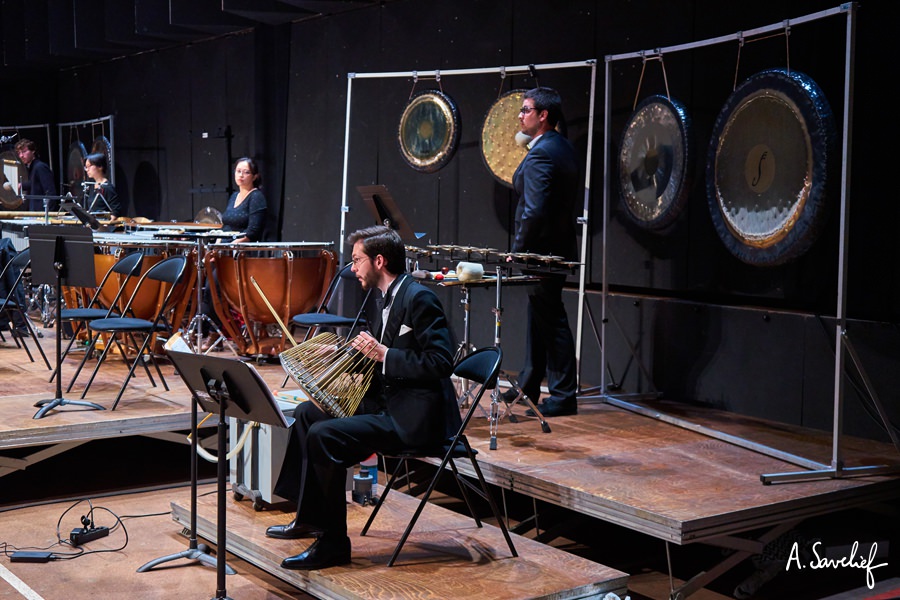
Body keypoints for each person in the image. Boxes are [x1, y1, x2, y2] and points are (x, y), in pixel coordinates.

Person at [267, 224, 458, 570]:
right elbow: (387, 357)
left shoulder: (419, 298)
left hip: (414, 419)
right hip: (389, 404)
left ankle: (334, 544)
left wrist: (384, 354)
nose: (352, 268)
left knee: (326, 435)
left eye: (357, 260)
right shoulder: (384, 297)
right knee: (309, 414)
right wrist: (350, 359)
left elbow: (442, 362)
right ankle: (309, 517)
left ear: (379, 261)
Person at [504, 87, 579, 417]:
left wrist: (519, 250)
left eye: (526, 110)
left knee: (552, 319)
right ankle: (529, 384)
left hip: (541, 251)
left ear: (543, 115)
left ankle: (564, 395)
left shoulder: (541, 154)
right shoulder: (561, 147)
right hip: (556, 247)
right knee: (540, 316)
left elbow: (534, 210)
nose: (521, 115)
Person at [199, 157, 268, 351]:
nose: (241, 175)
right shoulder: (234, 196)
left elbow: (252, 233)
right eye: (239, 171)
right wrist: (216, 248)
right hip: (225, 253)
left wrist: (226, 248)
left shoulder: (256, 197)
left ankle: (214, 334)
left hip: (241, 256)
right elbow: (226, 227)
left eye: (246, 172)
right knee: (208, 290)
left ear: (255, 176)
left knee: (216, 290)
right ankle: (211, 332)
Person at [14, 138, 57, 212]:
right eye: (19, 153)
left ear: (33, 151)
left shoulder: (40, 167)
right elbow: (35, 184)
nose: (21, 156)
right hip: (34, 212)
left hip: (41, 214)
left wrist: (47, 214)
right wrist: (22, 185)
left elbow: (50, 192)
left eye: (24, 152)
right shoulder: (32, 167)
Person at [84, 152, 123, 218]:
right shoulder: (91, 186)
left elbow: (116, 211)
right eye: (86, 167)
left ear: (100, 166)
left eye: (89, 166)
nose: (87, 170)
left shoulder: (107, 187)